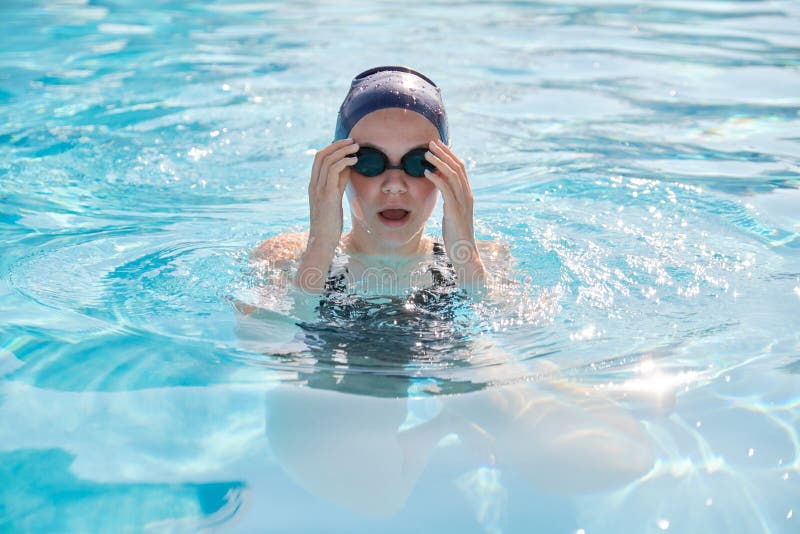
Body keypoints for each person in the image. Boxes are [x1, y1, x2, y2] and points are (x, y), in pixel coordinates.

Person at [253, 66, 490, 296]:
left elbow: (497, 331)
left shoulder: (487, 260)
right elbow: (270, 334)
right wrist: (320, 246)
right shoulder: (282, 258)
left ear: (446, 170)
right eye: (370, 161)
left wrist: (466, 258)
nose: (394, 184)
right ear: (339, 167)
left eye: (419, 162)